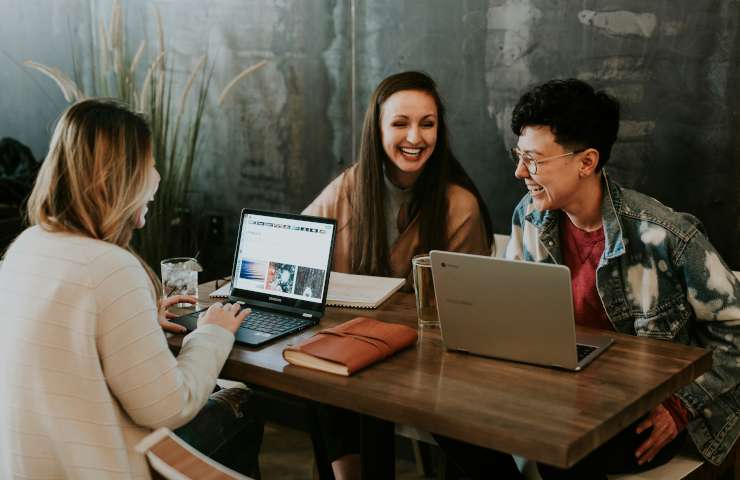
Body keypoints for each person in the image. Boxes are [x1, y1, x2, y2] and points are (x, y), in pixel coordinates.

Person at [442, 78, 740, 479]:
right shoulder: (528, 218)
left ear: (586, 162)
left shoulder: (664, 236)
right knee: (449, 418)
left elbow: (735, 329)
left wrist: (681, 405)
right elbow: (513, 319)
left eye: (533, 159)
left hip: (640, 411)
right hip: (559, 392)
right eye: (519, 155)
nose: (518, 172)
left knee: (560, 444)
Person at [0, 99, 262, 479]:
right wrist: (212, 333)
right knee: (241, 403)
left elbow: (61, 350)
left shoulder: (25, 246)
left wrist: (137, 319)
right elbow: (169, 407)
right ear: (120, 175)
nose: (157, 177)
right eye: (150, 164)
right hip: (98, 468)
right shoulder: (110, 267)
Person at [303, 71, 493, 479]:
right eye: (400, 123)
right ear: (377, 129)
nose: (415, 137)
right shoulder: (353, 185)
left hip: (429, 361)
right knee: (319, 371)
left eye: (427, 124)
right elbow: (300, 244)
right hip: (355, 348)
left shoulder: (459, 206)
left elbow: (466, 313)